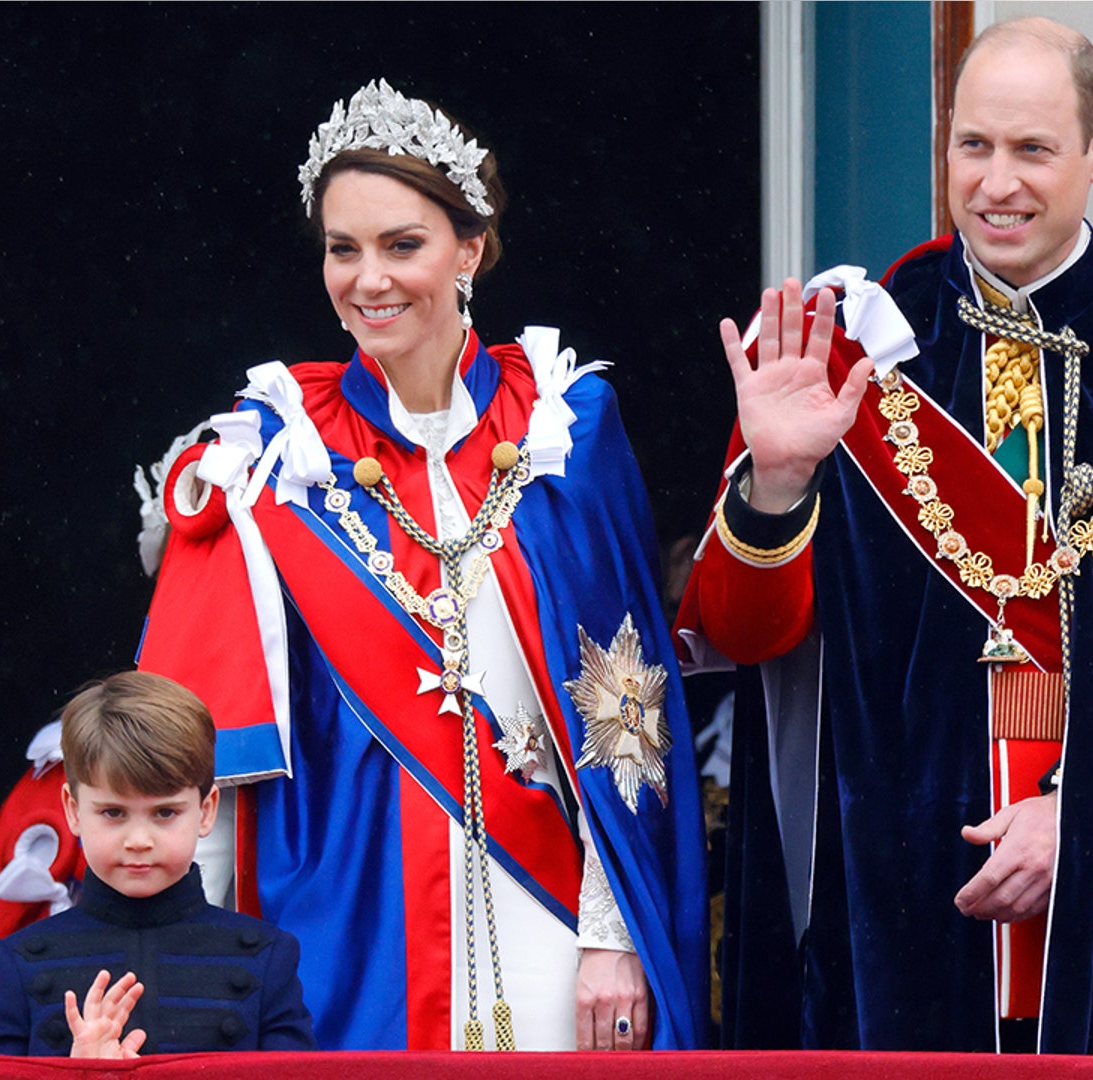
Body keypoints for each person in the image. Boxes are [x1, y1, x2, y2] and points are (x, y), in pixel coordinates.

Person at [676, 18, 1093, 1055]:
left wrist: (1086, 810)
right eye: (974, 146)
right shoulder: (850, 347)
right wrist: (776, 482)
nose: (998, 184)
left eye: (1033, 149)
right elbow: (744, 638)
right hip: (911, 903)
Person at [134, 80, 708, 1051]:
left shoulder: (563, 424)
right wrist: (190, 964)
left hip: (548, 906)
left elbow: (628, 698)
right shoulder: (278, 449)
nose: (369, 280)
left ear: (470, 249)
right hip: (344, 913)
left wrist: (612, 937)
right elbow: (207, 731)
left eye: (402, 245)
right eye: (342, 249)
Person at [0, 671, 316, 1056]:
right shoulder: (17, 963)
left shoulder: (268, 958)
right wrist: (78, 1074)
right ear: (73, 810)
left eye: (164, 813)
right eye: (113, 812)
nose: (138, 841)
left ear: (206, 810)